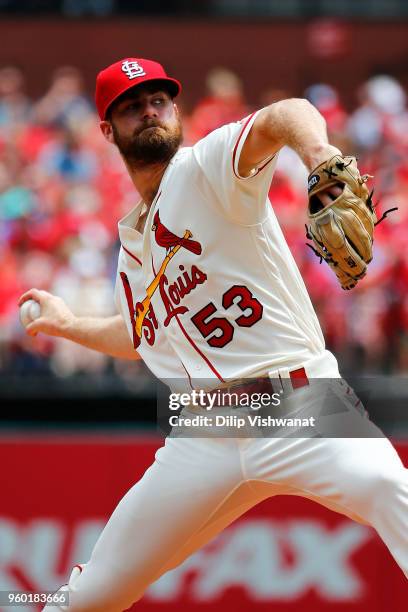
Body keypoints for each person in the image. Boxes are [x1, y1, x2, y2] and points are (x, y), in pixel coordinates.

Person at [19, 57, 408, 612]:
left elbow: (287, 114)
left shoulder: (207, 167)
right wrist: (67, 325)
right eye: (132, 106)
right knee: (89, 597)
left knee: (392, 492)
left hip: (300, 404)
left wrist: (319, 155)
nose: (150, 111)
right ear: (107, 129)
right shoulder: (133, 248)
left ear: (175, 109)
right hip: (205, 433)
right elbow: (139, 336)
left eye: (158, 100)